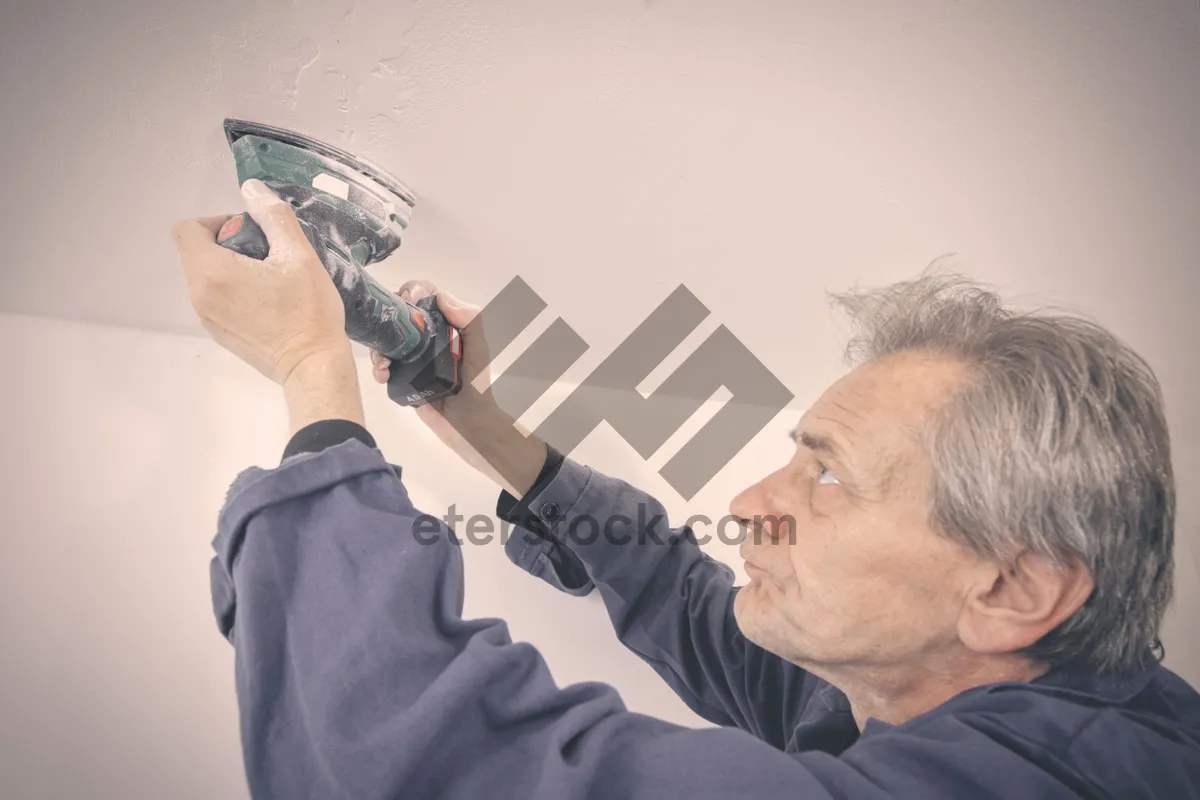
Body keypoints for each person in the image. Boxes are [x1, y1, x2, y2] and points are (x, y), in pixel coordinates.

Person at [172, 179, 1200, 799]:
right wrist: (471, 414)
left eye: (827, 473)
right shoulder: (922, 686)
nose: (752, 499)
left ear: (1013, 590)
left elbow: (424, 762)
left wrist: (314, 376)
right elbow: (684, 600)